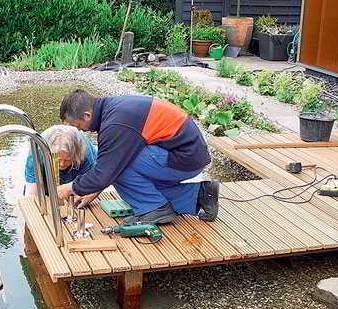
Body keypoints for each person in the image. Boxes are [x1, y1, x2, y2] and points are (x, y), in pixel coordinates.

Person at [56, 89, 219, 224]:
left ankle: (154, 209)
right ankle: (201, 194)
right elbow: (107, 168)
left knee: (120, 168)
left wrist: (69, 188)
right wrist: (94, 189)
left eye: (77, 125)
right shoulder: (113, 109)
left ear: (87, 115)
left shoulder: (115, 124)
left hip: (185, 157)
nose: (80, 130)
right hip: (184, 154)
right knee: (140, 187)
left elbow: (107, 171)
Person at [24, 124, 97, 196]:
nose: (62, 164)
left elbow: (90, 186)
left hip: (77, 170)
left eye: (67, 160)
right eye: (58, 160)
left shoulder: (85, 154)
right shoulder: (36, 155)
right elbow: (32, 194)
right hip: (46, 174)